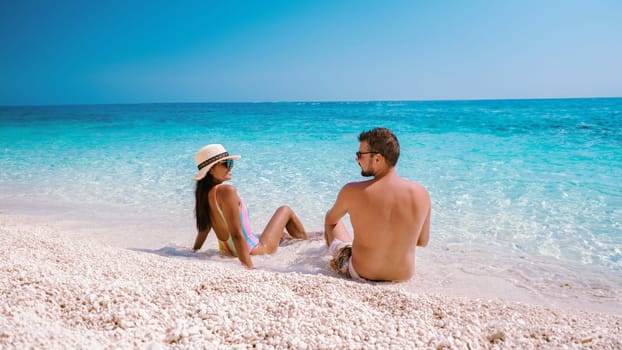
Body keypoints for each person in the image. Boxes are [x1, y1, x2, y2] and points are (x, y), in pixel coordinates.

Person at [324, 127, 431, 282]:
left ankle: (327, 255)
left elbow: (330, 220)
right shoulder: (422, 194)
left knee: (333, 222)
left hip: (361, 273)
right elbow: (422, 242)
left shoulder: (352, 191)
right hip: (402, 276)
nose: (357, 159)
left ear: (378, 159)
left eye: (360, 154)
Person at [192, 143, 310, 268]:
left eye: (231, 163)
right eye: (226, 164)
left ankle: (302, 239)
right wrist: (248, 266)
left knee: (282, 236)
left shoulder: (205, 194)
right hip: (255, 250)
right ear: (211, 169)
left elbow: (204, 228)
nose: (230, 167)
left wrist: (194, 251)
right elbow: (236, 234)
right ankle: (306, 244)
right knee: (285, 210)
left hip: (229, 251)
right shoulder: (227, 191)